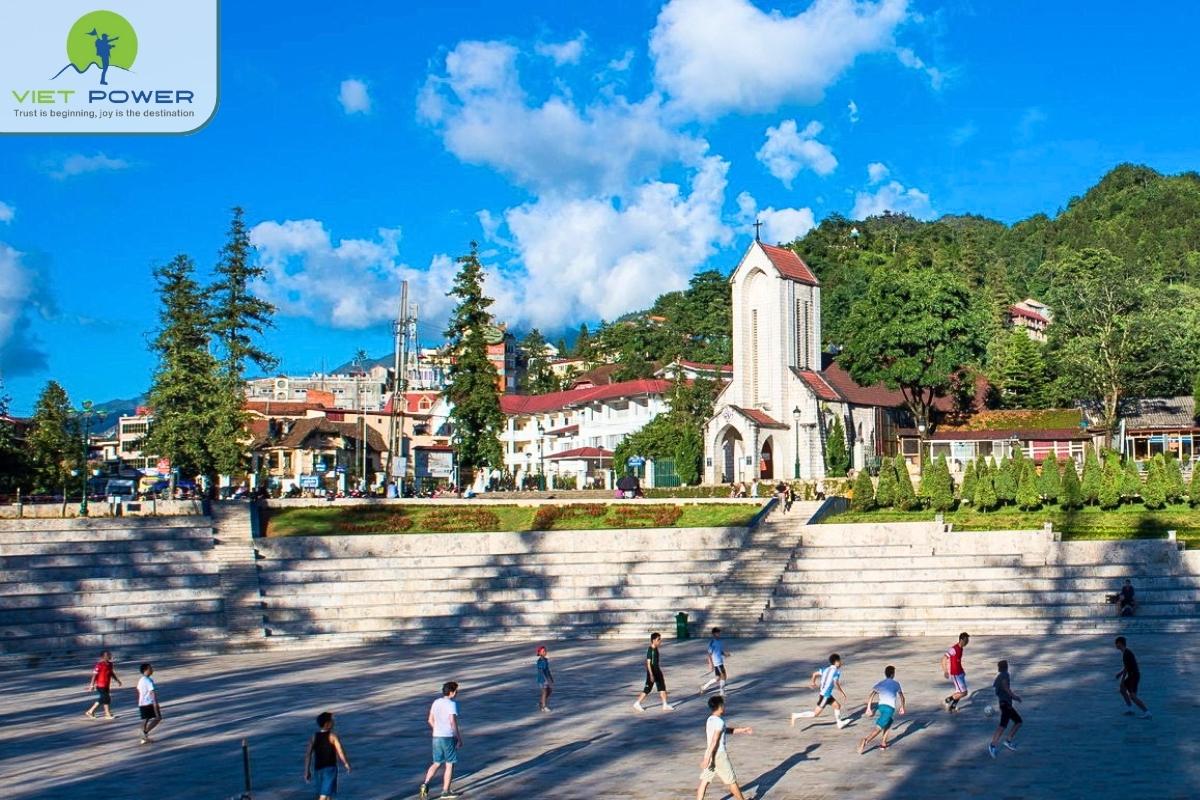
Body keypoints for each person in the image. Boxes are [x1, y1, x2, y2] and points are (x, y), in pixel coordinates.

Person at [696, 695, 753, 800]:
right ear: (720, 706)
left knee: (704, 782)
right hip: (719, 755)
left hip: (710, 753)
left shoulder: (710, 719)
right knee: (732, 782)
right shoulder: (719, 721)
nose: (724, 707)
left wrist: (743, 730)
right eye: (723, 705)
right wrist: (706, 759)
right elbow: (715, 741)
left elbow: (726, 730)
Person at [420, 682, 463, 799]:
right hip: (448, 737)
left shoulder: (436, 702)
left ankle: (425, 784)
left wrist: (438, 729)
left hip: (436, 737)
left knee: (436, 763)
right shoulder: (451, 704)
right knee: (449, 765)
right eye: (456, 691)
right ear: (452, 692)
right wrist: (458, 738)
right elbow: (453, 723)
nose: (457, 693)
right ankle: (445, 791)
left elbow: (430, 720)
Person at [791, 653, 849, 729]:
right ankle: (796, 715)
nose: (841, 662)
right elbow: (836, 683)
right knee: (815, 714)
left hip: (825, 694)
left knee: (837, 706)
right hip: (826, 696)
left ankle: (839, 723)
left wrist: (813, 682)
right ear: (836, 662)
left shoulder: (826, 669)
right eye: (840, 661)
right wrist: (842, 693)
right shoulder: (836, 672)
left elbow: (814, 674)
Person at [858, 665, 906, 754]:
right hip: (889, 708)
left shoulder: (881, 683)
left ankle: (883, 743)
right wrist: (902, 706)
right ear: (892, 674)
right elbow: (902, 697)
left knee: (889, 722)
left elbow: (871, 695)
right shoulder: (896, 683)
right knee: (878, 728)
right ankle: (865, 741)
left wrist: (868, 707)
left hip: (881, 707)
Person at [304, 711, 352, 800]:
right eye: (332, 721)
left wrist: (307, 770)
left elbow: (308, 755)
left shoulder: (314, 737)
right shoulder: (332, 736)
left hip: (318, 769)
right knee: (324, 795)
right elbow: (340, 751)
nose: (334, 722)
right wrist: (346, 764)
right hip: (330, 769)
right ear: (327, 724)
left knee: (327, 795)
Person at [988, 660, 1023, 758]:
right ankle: (992, 745)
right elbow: (1005, 687)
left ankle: (1008, 741)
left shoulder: (998, 677)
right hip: (1005, 704)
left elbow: (998, 689)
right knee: (1003, 726)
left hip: (1004, 704)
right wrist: (1014, 697)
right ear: (1006, 667)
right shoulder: (1005, 675)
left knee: (1018, 721)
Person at [633, 632, 673, 711]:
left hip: (657, 671)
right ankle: (637, 703)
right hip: (652, 672)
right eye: (658, 639)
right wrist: (651, 674)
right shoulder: (650, 650)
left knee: (662, 687)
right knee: (647, 689)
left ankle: (665, 704)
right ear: (653, 640)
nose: (660, 641)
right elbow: (648, 664)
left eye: (660, 639)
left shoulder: (656, 649)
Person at [1114, 637, 1151, 719]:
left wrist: (1122, 680)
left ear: (1120, 643)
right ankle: (1130, 709)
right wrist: (1120, 674)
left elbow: (1127, 669)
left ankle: (1147, 712)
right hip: (1132, 675)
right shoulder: (1126, 652)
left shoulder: (1127, 653)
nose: (1115, 645)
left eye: (1116, 643)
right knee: (1122, 690)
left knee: (1132, 696)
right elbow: (1127, 666)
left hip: (1133, 676)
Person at [85, 650, 122, 719]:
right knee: (106, 698)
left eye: (109, 655)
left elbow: (111, 673)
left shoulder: (110, 664)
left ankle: (96, 712)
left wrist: (117, 680)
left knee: (105, 698)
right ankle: (103, 713)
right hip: (100, 685)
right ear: (103, 657)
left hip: (107, 685)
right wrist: (92, 685)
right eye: (108, 655)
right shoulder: (99, 665)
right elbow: (94, 675)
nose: (110, 656)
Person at [942, 632, 970, 712]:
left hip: (960, 673)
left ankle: (952, 707)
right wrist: (945, 671)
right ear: (961, 640)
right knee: (964, 692)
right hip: (955, 674)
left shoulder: (961, 648)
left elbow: (958, 661)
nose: (967, 642)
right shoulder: (954, 649)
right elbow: (943, 659)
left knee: (959, 692)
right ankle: (946, 701)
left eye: (967, 641)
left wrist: (962, 671)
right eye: (965, 641)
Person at [136, 663, 162, 744]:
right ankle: (144, 734)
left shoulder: (141, 680)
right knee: (158, 718)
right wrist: (156, 704)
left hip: (142, 703)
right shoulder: (148, 680)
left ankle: (144, 737)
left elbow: (138, 690)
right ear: (146, 670)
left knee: (145, 720)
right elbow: (152, 693)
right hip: (149, 703)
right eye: (150, 668)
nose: (152, 670)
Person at [700, 627, 729, 696]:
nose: (718, 634)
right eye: (717, 633)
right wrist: (711, 664)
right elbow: (709, 654)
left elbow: (719, 651)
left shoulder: (719, 642)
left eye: (719, 633)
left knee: (718, 678)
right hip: (717, 663)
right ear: (713, 634)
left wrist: (725, 654)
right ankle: (721, 693)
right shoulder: (712, 642)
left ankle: (704, 687)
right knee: (724, 676)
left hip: (720, 662)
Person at [536, 645, 555, 712]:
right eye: (543, 651)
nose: (545, 652)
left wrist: (551, 678)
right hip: (542, 679)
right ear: (540, 653)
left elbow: (547, 670)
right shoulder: (539, 661)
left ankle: (541, 702)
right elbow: (542, 671)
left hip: (546, 678)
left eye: (545, 651)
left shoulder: (546, 660)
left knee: (549, 691)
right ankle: (544, 706)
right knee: (544, 692)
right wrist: (545, 679)